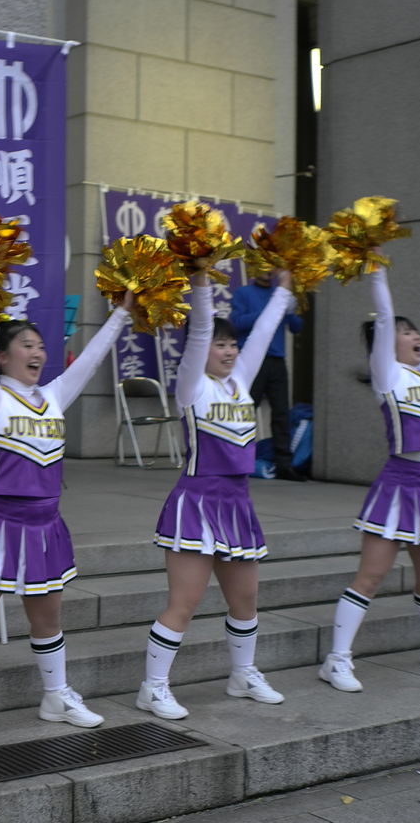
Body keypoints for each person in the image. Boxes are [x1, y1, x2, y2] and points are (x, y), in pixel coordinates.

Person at [0, 295, 133, 751]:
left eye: (41, 345)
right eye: (26, 345)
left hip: (45, 525)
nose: (38, 352)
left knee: (48, 619)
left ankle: (56, 697)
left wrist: (122, 312)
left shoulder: (53, 396)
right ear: (3, 356)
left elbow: (93, 358)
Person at [137, 265, 294, 720]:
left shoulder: (240, 383)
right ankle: (153, 686)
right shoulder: (192, 386)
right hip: (197, 503)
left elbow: (263, 332)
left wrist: (283, 290)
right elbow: (201, 325)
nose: (228, 350)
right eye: (219, 344)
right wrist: (201, 281)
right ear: (199, 350)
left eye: (231, 343)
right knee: (183, 604)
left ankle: (243, 674)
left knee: (244, 600)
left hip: (238, 504)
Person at [319, 254, 420, 693]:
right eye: (408, 332)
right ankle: (337, 660)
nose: (418, 336)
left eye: (415, 331)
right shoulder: (387, 376)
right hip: (398, 485)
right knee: (370, 576)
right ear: (386, 345)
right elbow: (385, 315)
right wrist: (377, 266)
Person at [230, 269, 305, 480]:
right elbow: (236, 323)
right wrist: (271, 309)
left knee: (281, 413)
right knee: (245, 411)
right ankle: (237, 459)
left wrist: (291, 310)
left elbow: (297, 328)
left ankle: (284, 464)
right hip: (251, 361)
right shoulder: (244, 293)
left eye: (271, 267)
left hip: (277, 360)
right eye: (261, 267)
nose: (267, 271)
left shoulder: (279, 294)